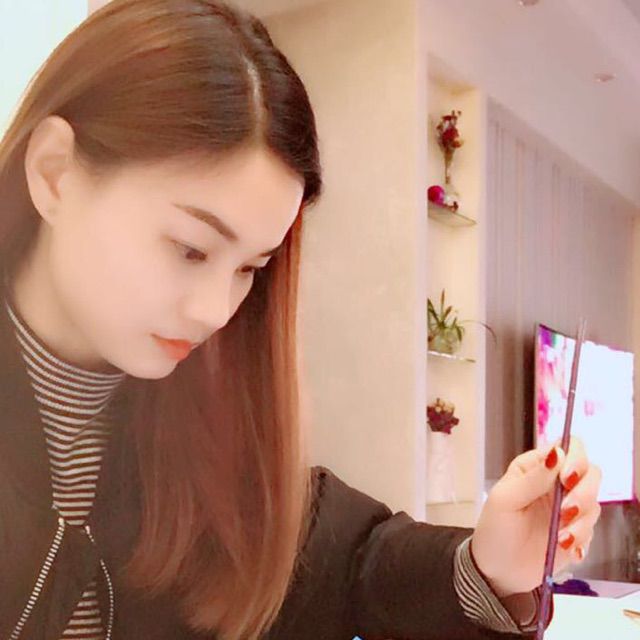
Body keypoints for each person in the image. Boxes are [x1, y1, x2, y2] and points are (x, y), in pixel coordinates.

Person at [0, 1, 601, 639]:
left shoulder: (206, 423)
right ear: (55, 174)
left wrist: (490, 564)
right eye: (190, 249)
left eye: (249, 268)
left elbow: (355, 561)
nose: (215, 312)